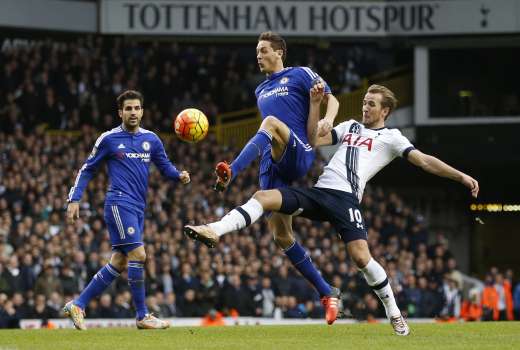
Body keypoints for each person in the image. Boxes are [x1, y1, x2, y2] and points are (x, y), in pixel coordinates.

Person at [185, 84, 479, 335]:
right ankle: (215, 229)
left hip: (346, 200)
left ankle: (393, 310)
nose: (365, 108)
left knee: (361, 258)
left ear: (385, 111)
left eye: (371, 104)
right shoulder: (350, 126)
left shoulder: (392, 138)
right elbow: (313, 140)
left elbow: (425, 161)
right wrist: (316, 110)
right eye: (364, 102)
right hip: (320, 191)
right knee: (264, 197)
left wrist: (461, 176)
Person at [201, 31, 341, 324]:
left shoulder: (300, 74)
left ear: (279, 52)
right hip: (274, 161)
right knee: (281, 235)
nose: (259, 55)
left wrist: (327, 117)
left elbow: (333, 100)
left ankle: (232, 171)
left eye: (263, 50)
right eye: (257, 51)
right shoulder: (260, 90)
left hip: (299, 150)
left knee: (270, 122)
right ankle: (327, 292)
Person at [64, 90, 190, 330]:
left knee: (120, 262)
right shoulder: (109, 139)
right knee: (139, 255)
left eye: (137, 108)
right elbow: (87, 168)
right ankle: (142, 316)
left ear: (142, 111)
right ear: (120, 112)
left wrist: (179, 176)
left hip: (138, 207)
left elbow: (165, 167)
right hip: (119, 203)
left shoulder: (151, 139)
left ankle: (78, 304)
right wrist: (75, 198)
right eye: (128, 109)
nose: (133, 112)